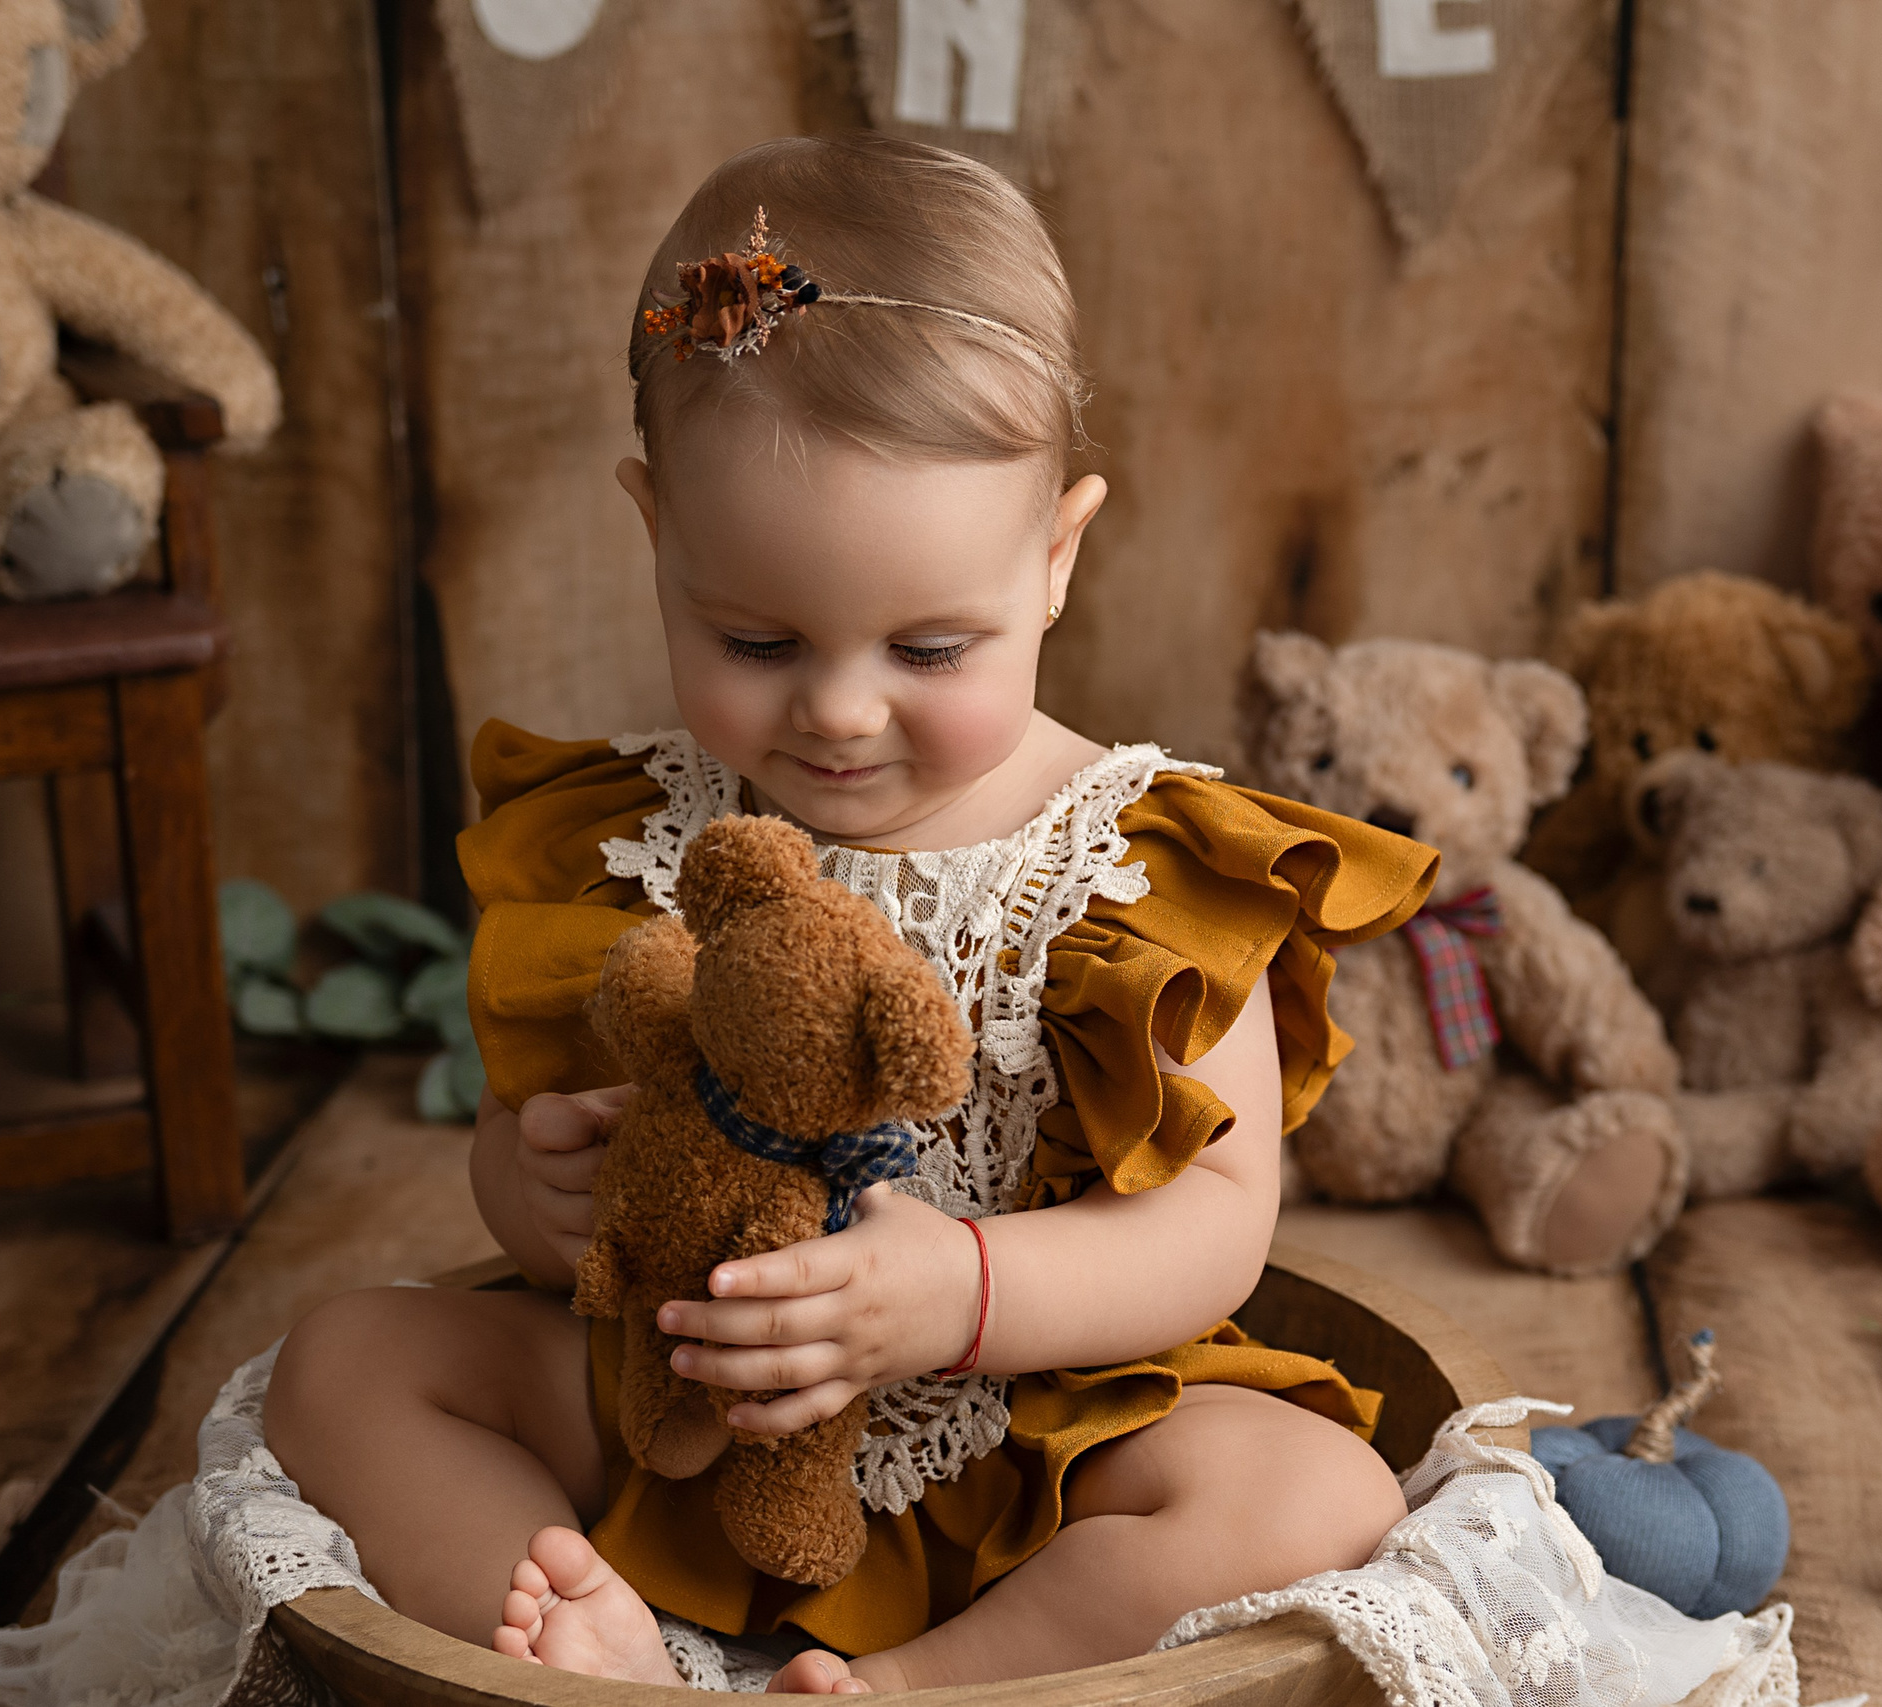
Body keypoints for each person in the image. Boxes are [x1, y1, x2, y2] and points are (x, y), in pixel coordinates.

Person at [263, 133, 1435, 1694]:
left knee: (1314, 1494)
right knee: (345, 1363)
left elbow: (1215, 1227)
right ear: (657, 535)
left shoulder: (1143, 864)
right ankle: (585, 1651)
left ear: (1059, 557)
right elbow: (551, 1162)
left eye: (933, 651)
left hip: (1030, 1437)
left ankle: (912, 1688)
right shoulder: (629, 842)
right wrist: (533, 1188)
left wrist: (959, 1294)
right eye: (752, 636)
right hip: (686, 1414)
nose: (837, 712)